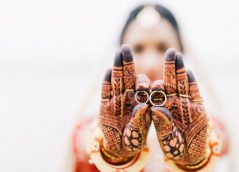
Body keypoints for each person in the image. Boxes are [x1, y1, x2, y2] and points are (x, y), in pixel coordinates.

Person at [70, 3, 230, 172]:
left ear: (182, 51)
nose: (150, 63)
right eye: (138, 49)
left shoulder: (201, 121)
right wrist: (109, 150)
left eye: (163, 48)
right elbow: (81, 139)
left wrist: (196, 158)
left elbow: (220, 139)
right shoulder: (95, 123)